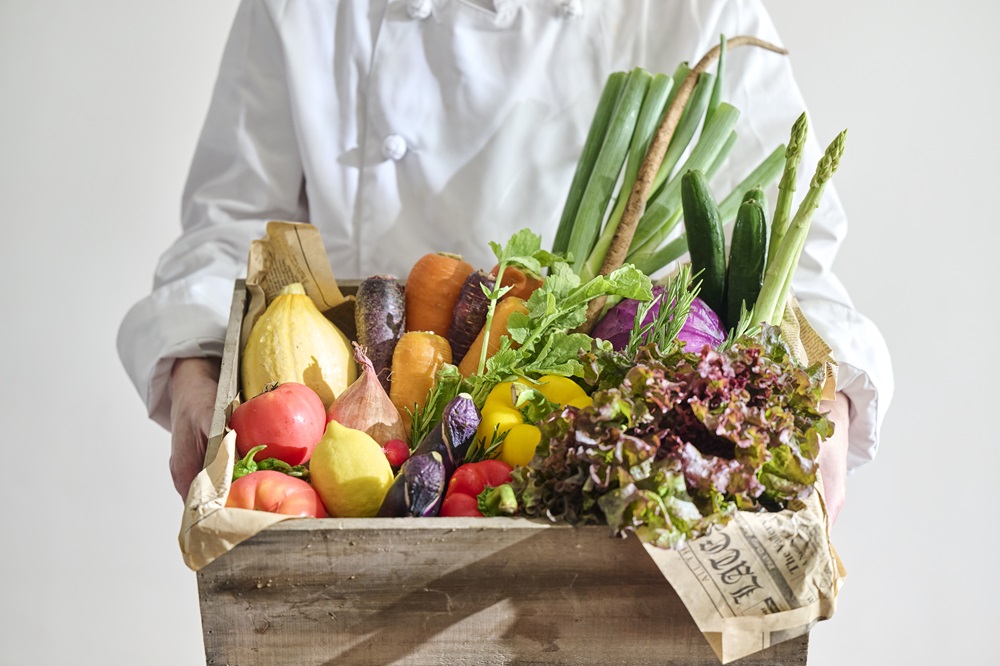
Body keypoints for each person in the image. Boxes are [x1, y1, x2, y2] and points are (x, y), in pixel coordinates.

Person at [117, 0, 893, 524]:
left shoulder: (697, 11)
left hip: (598, 481)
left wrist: (830, 398)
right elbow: (230, 228)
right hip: (357, 477)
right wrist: (195, 365)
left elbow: (803, 271)